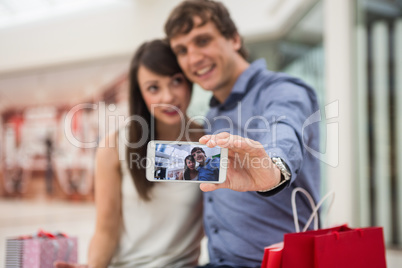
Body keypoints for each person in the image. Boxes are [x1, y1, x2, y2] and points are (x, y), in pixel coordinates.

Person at [164, 1, 320, 267]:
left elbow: (284, 130)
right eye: (182, 50)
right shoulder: (211, 117)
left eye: (202, 41)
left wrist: (272, 169)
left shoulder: (282, 91)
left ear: (234, 39)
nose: (193, 58)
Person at [55, 39, 205, 268]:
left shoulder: (208, 144)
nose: (168, 97)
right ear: (140, 94)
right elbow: (106, 230)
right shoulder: (115, 146)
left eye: (176, 81)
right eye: (153, 88)